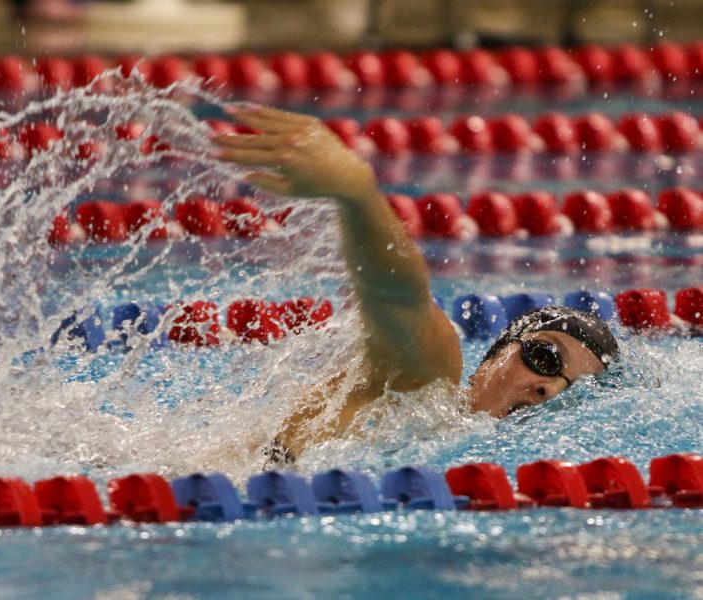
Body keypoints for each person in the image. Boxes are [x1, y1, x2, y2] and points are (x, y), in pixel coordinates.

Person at [211, 105, 619, 462]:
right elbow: (398, 295)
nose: (549, 389)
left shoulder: (462, 451)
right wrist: (359, 194)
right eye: (545, 357)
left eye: (572, 391)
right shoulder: (428, 382)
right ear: (493, 356)